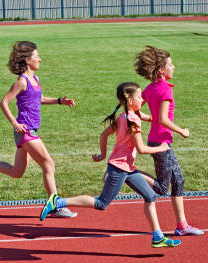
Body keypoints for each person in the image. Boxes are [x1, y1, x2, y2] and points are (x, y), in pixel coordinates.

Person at [40, 82, 181, 248]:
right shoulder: (132, 122)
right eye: (139, 96)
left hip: (127, 168)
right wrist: (161, 148)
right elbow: (141, 149)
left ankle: (157, 237)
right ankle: (58, 202)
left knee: (150, 196)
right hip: (120, 168)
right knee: (101, 203)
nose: (143, 99)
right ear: (129, 101)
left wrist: (103, 154)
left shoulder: (124, 116)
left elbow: (104, 134)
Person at [0, 41, 77, 218]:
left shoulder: (34, 79)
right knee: (48, 164)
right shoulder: (22, 81)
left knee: (17, 172)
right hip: (26, 130)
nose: (40, 59)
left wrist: (60, 101)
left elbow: (38, 98)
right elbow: (4, 102)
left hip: (31, 130)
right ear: (27, 60)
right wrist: (15, 123)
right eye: (37, 56)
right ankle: (56, 206)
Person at [134, 45, 204, 236]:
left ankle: (182, 226)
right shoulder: (165, 90)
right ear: (162, 70)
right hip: (161, 143)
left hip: (158, 140)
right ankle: (129, 173)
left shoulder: (150, 88)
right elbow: (164, 119)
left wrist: (147, 117)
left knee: (178, 181)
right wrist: (182, 130)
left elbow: (136, 109)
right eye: (171, 65)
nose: (174, 68)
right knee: (163, 187)